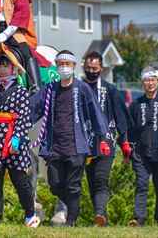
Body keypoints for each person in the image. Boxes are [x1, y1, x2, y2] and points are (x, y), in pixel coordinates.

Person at [30, 50, 110, 227]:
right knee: (55, 184)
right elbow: (33, 109)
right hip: (54, 146)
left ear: (74, 66)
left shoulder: (83, 89)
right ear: (56, 67)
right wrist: (18, 127)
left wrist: (103, 137)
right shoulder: (50, 89)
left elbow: (96, 113)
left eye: (68, 64)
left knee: (73, 186)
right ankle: (76, 207)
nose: (64, 68)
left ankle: (71, 220)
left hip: (77, 146)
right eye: (61, 64)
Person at [0, 43, 40, 227]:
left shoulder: (21, 92)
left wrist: (17, 138)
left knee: (21, 182)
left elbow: (24, 118)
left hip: (15, 142)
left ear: (13, 68)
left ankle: (30, 214)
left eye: (5, 66)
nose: (2, 69)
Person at [82, 51, 133, 226]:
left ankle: (99, 214)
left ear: (101, 68)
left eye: (94, 68)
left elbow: (121, 117)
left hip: (107, 141)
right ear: (83, 67)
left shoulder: (109, 89)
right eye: (88, 68)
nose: (91, 71)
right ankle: (102, 219)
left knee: (101, 180)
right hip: (86, 143)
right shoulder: (79, 88)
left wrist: (125, 142)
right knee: (91, 184)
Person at [128, 66, 158, 227]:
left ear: (157, 81)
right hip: (140, 152)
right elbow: (128, 128)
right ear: (142, 83)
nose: (150, 83)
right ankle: (139, 219)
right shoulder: (136, 104)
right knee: (141, 184)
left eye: (153, 80)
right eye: (147, 80)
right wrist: (127, 151)